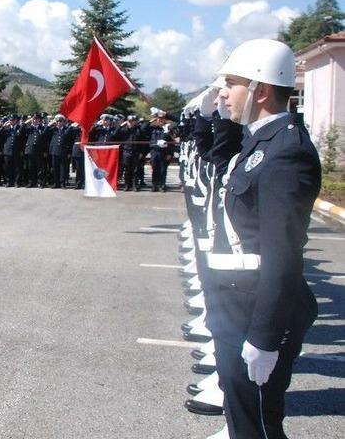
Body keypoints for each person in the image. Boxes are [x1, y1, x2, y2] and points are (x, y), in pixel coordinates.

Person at [200, 39, 321, 439]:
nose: (222, 92)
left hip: (259, 308)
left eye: (231, 83)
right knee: (243, 413)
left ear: (261, 90)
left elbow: (282, 254)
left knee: (259, 423)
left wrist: (266, 336)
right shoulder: (258, 141)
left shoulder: (286, 152)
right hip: (239, 300)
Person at [149, 114, 174, 192]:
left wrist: (170, 153)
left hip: (164, 152)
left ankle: (162, 185)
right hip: (154, 152)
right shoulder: (153, 129)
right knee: (154, 169)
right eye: (158, 119)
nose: (160, 121)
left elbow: (172, 142)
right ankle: (154, 185)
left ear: (164, 120)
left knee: (163, 169)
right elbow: (143, 127)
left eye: (161, 119)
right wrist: (152, 120)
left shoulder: (168, 129)